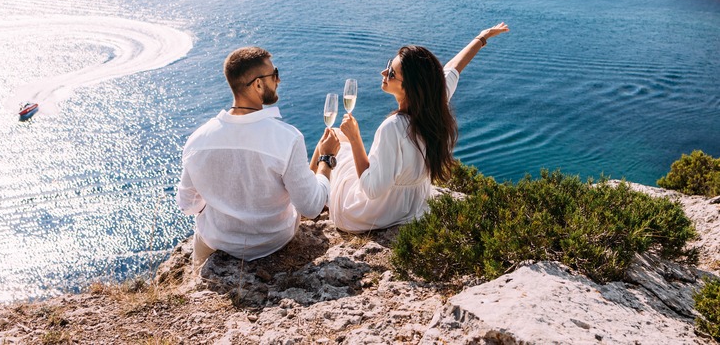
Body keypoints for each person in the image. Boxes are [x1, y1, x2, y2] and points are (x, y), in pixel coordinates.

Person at [326, 23, 509, 233]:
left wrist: (356, 138)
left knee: (335, 139)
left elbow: (371, 189)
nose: (383, 72)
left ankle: (309, 202)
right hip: (411, 208)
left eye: (392, 73)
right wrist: (482, 37)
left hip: (369, 215)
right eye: (388, 65)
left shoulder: (392, 128)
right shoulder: (435, 105)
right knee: (339, 142)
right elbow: (454, 68)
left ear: (410, 87)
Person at [177, 46, 340, 270]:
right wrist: (327, 158)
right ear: (258, 84)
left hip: (216, 243)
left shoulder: (198, 140)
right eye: (275, 75)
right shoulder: (287, 137)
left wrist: (225, 206)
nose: (278, 80)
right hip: (273, 242)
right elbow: (311, 207)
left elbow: (188, 205)